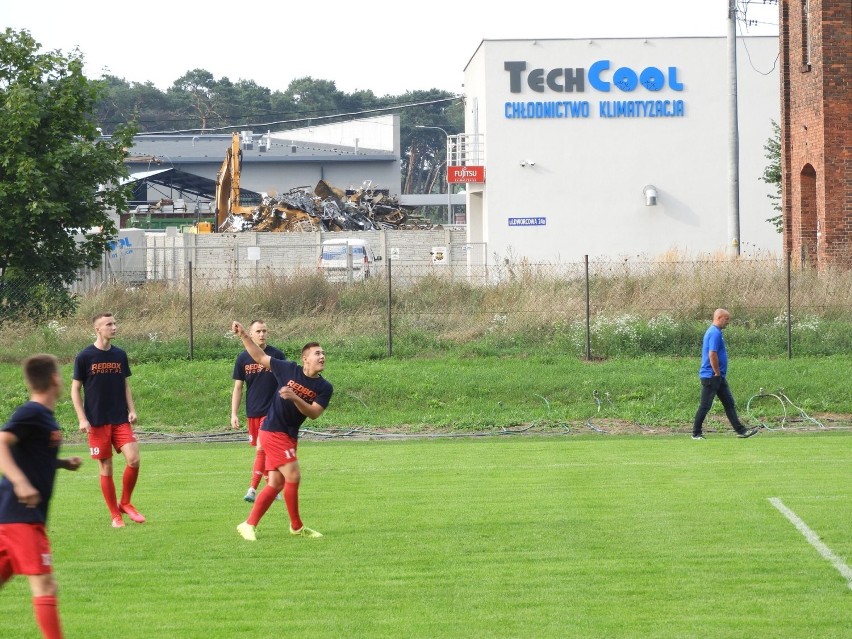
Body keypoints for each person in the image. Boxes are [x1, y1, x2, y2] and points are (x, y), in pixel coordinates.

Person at [0, 354, 83, 639]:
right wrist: (21, 483)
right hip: (21, 515)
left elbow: (31, 454)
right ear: (55, 380)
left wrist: (61, 463)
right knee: (46, 585)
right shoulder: (31, 412)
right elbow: (2, 442)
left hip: (12, 516)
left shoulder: (44, 417)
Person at [231, 321, 333, 541]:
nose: (322, 356)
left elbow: (314, 413)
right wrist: (243, 336)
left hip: (289, 434)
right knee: (293, 475)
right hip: (272, 430)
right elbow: (259, 357)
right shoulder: (288, 368)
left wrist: (295, 397)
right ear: (305, 358)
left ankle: (249, 524)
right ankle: (296, 526)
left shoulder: (324, 387)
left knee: (276, 483)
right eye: (317, 353)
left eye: (323, 353)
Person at [71, 313, 145, 527]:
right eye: (109, 324)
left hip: (120, 418)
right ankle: (115, 515)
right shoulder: (84, 356)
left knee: (134, 459)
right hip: (96, 421)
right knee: (107, 468)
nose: (114, 327)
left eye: (115, 323)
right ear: (98, 329)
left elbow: (124, 384)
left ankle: (126, 502)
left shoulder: (120, 354)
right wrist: (81, 419)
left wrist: (132, 409)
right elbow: (75, 389)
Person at [230, 319, 285, 502]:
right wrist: (234, 413)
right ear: (251, 334)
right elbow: (238, 387)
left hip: (271, 413)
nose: (262, 334)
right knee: (263, 450)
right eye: (258, 331)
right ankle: (273, 486)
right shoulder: (243, 358)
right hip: (253, 411)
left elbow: (285, 383)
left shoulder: (276, 355)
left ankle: (252, 489)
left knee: (262, 448)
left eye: (264, 331)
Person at [692, 308, 760, 440]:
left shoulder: (716, 332)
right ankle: (696, 433)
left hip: (718, 377)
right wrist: (716, 372)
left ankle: (741, 431)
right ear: (719, 318)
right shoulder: (714, 333)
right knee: (705, 405)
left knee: (729, 403)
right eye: (726, 319)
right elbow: (712, 354)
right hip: (712, 376)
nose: (728, 322)